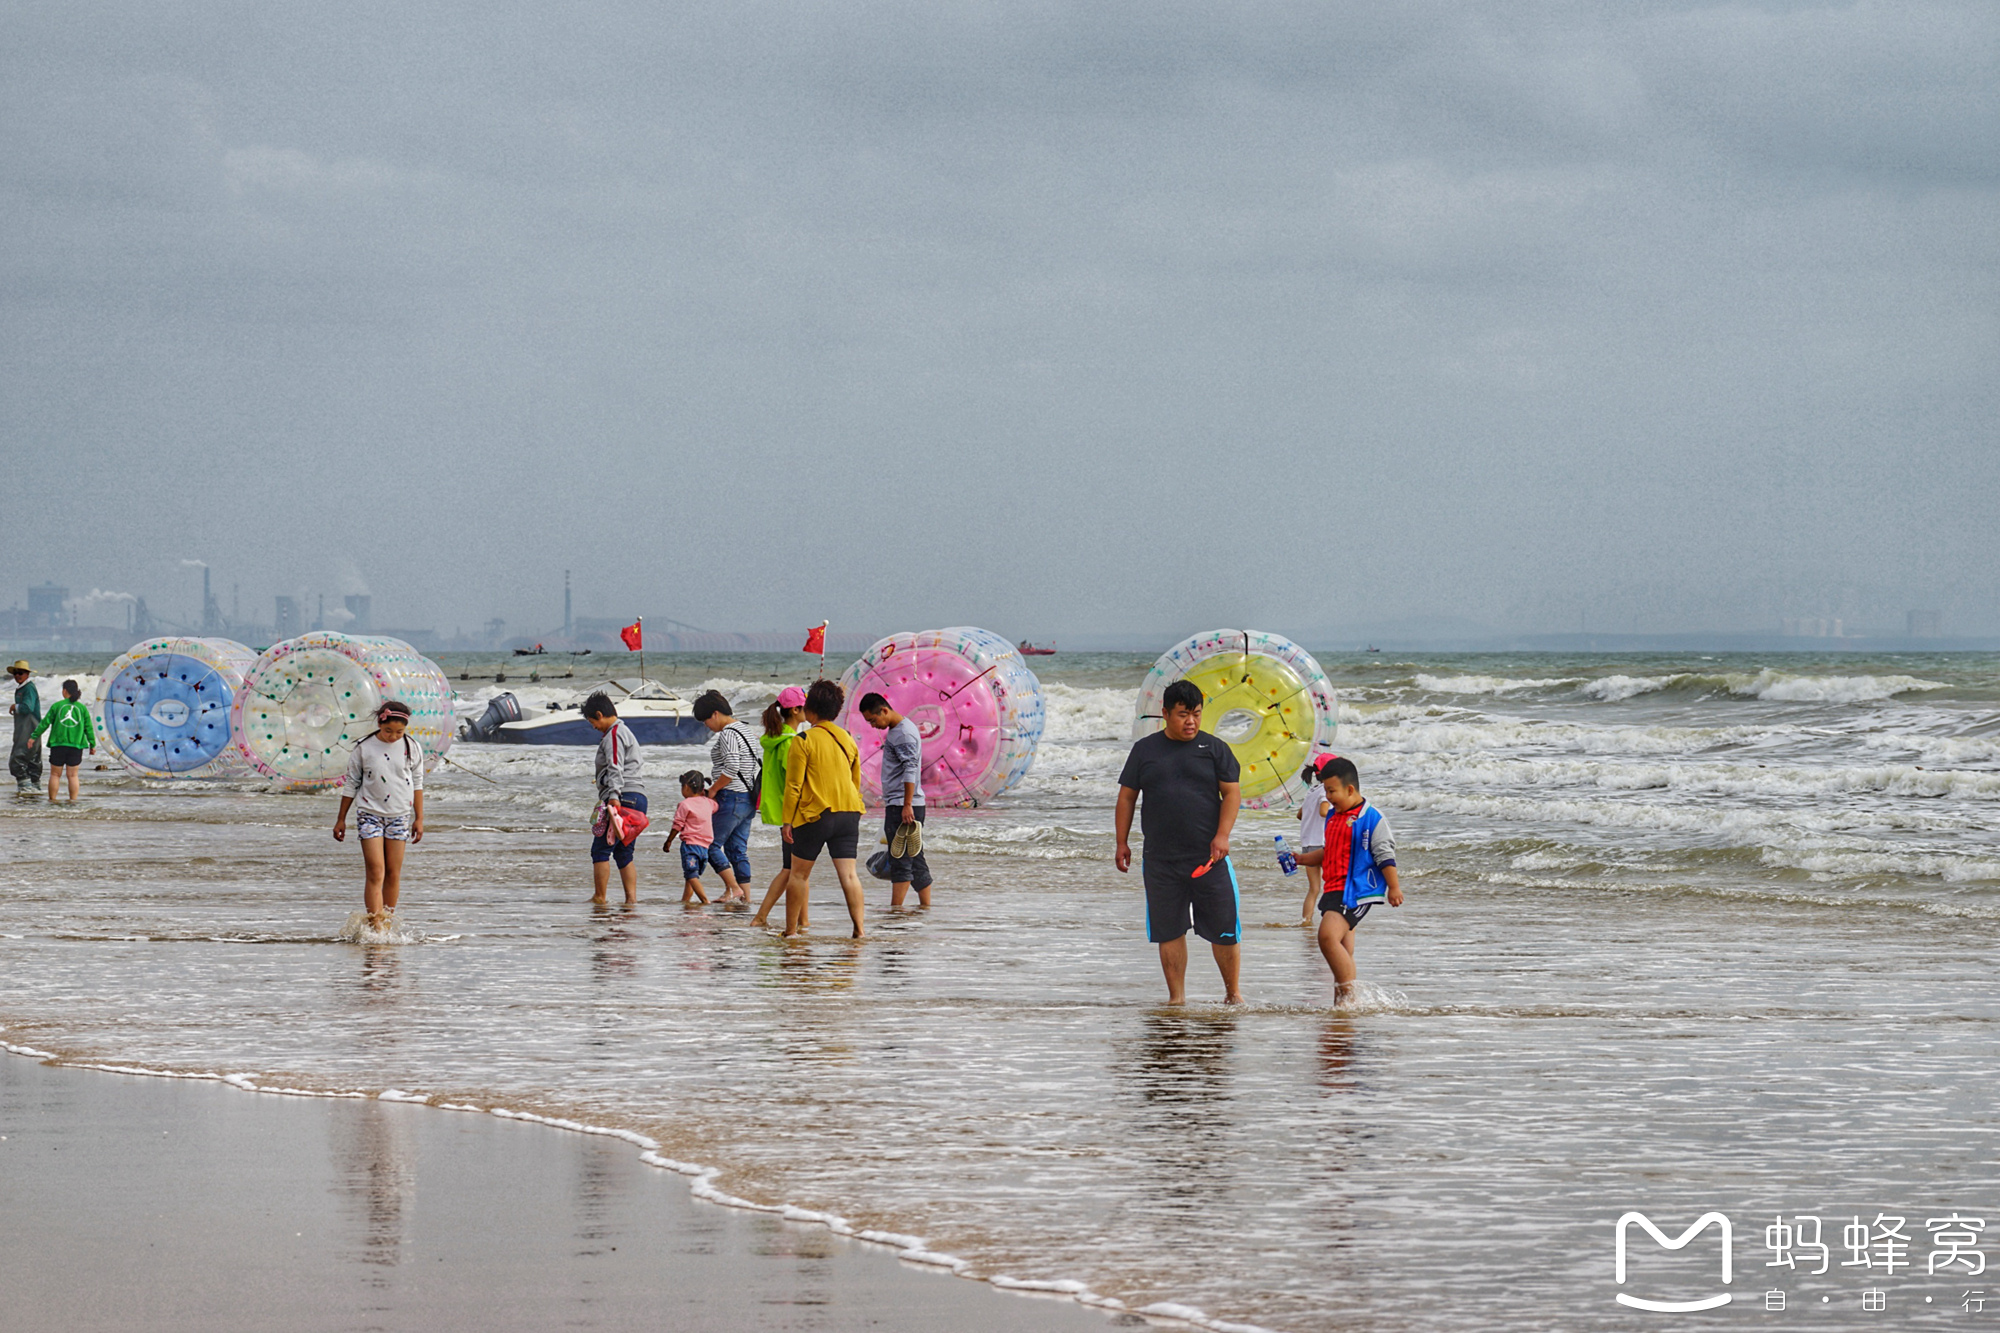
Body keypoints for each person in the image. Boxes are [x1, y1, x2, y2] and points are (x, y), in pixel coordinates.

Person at [1114, 679, 1243, 1004]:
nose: (1191, 722)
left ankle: (1233, 994)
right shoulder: (1145, 750)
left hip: (1209, 858)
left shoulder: (1214, 749)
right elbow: (1127, 797)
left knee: (1225, 930)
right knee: (1169, 931)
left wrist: (1222, 835)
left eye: (1197, 714)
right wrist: (1122, 842)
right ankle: (1177, 999)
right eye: (1183, 714)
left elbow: (1232, 793)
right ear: (1165, 714)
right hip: (1161, 860)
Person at [1302, 755, 1402, 1002]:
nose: (1328, 797)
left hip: (1355, 891)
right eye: (1325, 791)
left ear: (1350, 789)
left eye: (1332, 791)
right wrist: (1302, 859)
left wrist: (1394, 888)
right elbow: (1329, 851)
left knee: (1326, 937)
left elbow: (1384, 855)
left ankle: (1349, 998)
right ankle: (1343, 1004)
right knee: (1343, 949)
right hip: (1334, 889)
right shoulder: (1334, 817)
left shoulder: (1371, 817)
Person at [780, 679, 867, 938]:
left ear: (810, 710)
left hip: (815, 814)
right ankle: (860, 931)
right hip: (849, 812)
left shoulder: (803, 739)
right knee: (850, 875)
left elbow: (793, 786)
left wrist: (787, 821)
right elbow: (855, 780)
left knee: (798, 875)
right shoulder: (848, 738)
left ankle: (791, 932)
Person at [332, 700, 426, 930]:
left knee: (393, 873)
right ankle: (376, 926)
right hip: (369, 814)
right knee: (376, 871)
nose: (393, 736)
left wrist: (419, 818)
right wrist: (341, 818)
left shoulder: (412, 747)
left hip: (400, 815)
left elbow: (418, 783)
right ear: (379, 723)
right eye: (388, 731)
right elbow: (351, 784)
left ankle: (387, 925)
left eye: (399, 732)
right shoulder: (363, 748)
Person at [858, 692, 933, 908]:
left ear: (884, 710)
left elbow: (911, 768)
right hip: (905, 803)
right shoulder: (899, 730)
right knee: (915, 857)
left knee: (900, 859)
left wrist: (907, 804)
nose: (873, 726)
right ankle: (925, 908)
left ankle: (896, 911)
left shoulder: (903, 734)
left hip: (904, 805)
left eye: (873, 720)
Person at [692, 689, 758, 904]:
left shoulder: (728, 733)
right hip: (748, 798)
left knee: (709, 844)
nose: (706, 726)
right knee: (737, 849)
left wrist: (713, 790)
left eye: (705, 720)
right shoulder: (747, 730)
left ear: (715, 714)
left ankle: (733, 888)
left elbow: (731, 767)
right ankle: (745, 899)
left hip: (732, 796)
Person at [750, 687, 808, 929]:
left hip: (785, 812)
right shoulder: (789, 743)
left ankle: (803, 921)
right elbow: (795, 781)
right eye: (805, 706)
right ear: (795, 710)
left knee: (799, 871)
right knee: (791, 870)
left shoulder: (776, 739)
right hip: (794, 814)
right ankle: (760, 917)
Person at [583, 691, 645, 905]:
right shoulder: (625, 731)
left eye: (593, 722)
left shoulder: (615, 733)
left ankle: (600, 897)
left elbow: (614, 766)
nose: (594, 727)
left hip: (623, 796)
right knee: (623, 852)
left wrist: (614, 797)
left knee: (600, 849)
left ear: (600, 714)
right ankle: (631, 900)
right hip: (636, 795)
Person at [31, 679, 96, 804]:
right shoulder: (82, 708)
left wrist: (34, 736)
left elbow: (44, 723)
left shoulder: (57, 706)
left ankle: (52, 801)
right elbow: (89, 728)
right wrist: (92, 744)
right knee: (72, 776)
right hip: (76, 746)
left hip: (58, 745)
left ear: (65, 691)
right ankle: (73, 801)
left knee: (55, 775)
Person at [661, 769, 717, 905]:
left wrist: (668, 841)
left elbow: (677, 825)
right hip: (705, 848)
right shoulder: (709, 803)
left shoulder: (685, 804)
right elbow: (716, 806)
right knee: (692, 877)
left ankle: (705, 900)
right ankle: (686, 901)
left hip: (691, 846)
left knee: (691, 876)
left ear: (686, 787)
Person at [1295, 759, 1331, 925]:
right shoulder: (1325, 790)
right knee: (1333, 884)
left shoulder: (1312, 791)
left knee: (1314, 888)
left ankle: (1306, 920)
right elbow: (1324, 811)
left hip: (1307, 844)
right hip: (1321, 843)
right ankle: (1333, 919)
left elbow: (1299, 815)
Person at [8, 660, 42, 794]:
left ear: (27, 674)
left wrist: (14, 707)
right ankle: (34, 791)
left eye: (20, 673)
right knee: (33, 760)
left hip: (28, 729)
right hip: (32, 728)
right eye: (15, 673)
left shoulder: (28, 688)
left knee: (18, 759)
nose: (17, 676)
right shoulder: (24, 687)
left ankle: (26, 790)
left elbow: (28, 707)